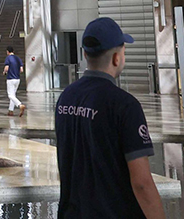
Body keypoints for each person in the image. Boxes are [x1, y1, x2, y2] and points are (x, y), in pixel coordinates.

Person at [55, 18, 165, 219]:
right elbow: (141, 183)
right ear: (117, 58)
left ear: (85, 54)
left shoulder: (65, 98)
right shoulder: (124, 105)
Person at [4, 46, 25, 117]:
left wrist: (4, 72)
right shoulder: (18, 58)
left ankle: (20, 105)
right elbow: (21, 70)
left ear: (7, 51)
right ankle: (11, 111)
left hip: (10, 79)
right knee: (13, 95)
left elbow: (6, 68)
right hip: (17, 79)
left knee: (10, 95)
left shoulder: (8, 58)